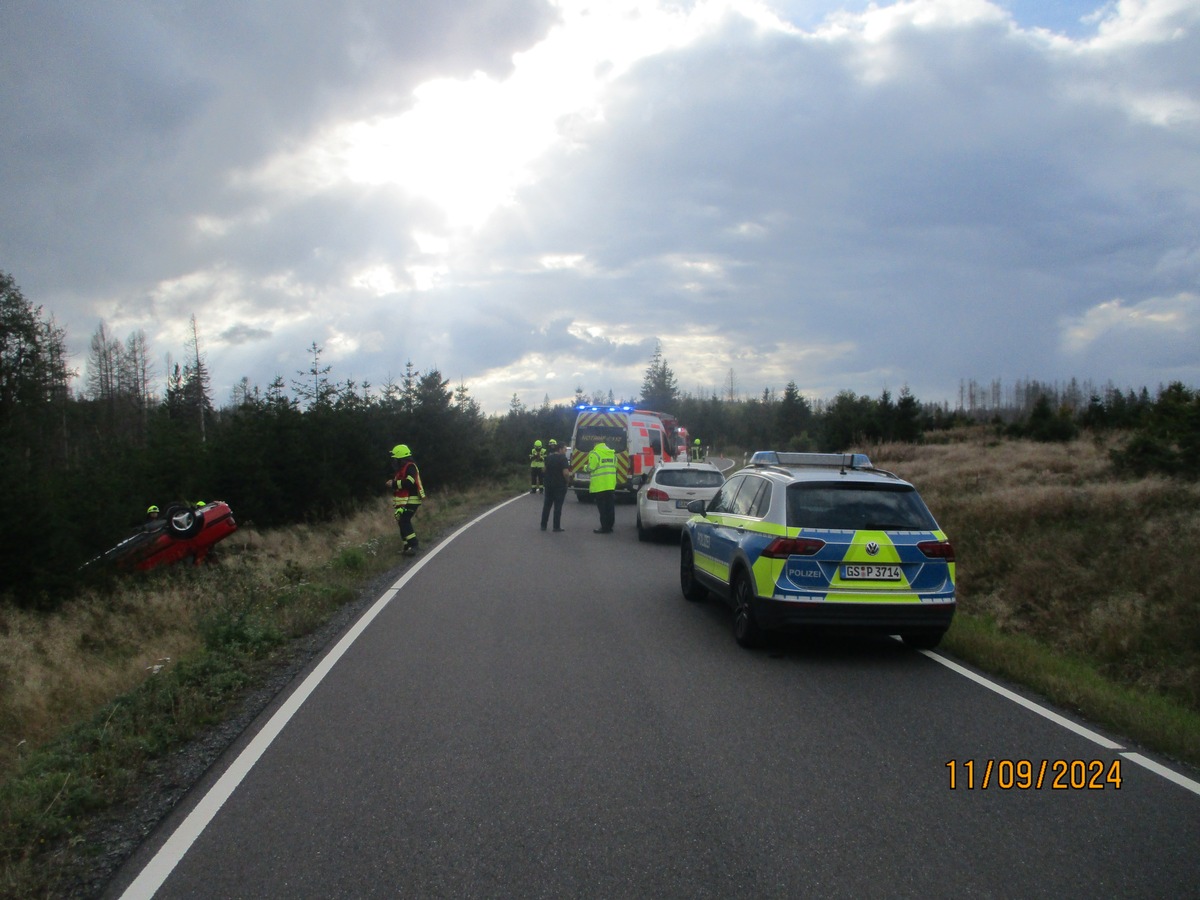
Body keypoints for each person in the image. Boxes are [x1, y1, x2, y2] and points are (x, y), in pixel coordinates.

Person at [386, 443, 426, 555]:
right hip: (406, 500)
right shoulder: (402, 469)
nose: (394, 462)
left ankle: (414, 546)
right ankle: (407, 547)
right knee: (402, 521)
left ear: (400, 458)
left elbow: (409, 482)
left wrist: (394, 483)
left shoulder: (410, 467)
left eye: (395, 459)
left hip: (412, 499)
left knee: (404, 520)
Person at [540, 439, 571, 532]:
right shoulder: (563, 459)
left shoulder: (549, 457)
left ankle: (543, 525)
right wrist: (568, 481)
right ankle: (556, 526)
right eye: (565, 449)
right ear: (560, 449)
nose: (566, 451)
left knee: (547, 505)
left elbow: (543, 470)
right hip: (559, 486)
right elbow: (565, 473)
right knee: (558, 507)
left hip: (549, 485)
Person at [586, 440, 617, 533]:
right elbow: (615, 466)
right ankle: (610, 526)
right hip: (610, 485)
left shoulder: (595, 454)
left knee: (602, 508)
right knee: (610, 507)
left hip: (600, 486)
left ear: (595, 444)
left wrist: (585, 467)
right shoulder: (612, 453)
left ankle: (604, 527)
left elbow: (591, 467)